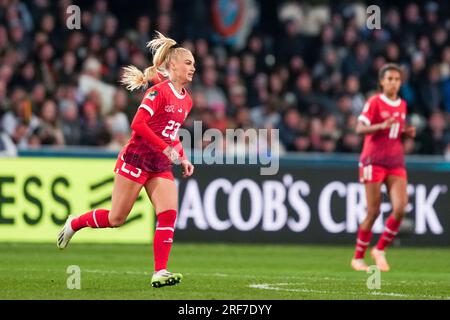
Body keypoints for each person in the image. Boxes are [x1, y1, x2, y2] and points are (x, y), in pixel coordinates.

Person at [57, 31, 196, 288]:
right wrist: (166, 150)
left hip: (159, 164)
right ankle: (74, 223)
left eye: (194, 65)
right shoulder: (158, 93)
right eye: (188, 63)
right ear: (173, 65)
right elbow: (138, 124)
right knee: (116, 219)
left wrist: (183, 157)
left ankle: (160, 271)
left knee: (168, 214)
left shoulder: (187, 101)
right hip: (136, 159)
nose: (192, 68)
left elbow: (171, 135)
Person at [351, 63, 416, 272]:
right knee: (374, 211)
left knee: (400, 207)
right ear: (382, 82)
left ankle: (379, 249)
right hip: (373, 161)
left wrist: (406, 133)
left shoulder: (402, 104)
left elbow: (394, 132)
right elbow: (359, 128)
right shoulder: (374, 102)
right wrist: (379, 126)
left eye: (397, 80)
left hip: (395, 162)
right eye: (390, 79)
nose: (394, 83)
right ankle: (358, 257)